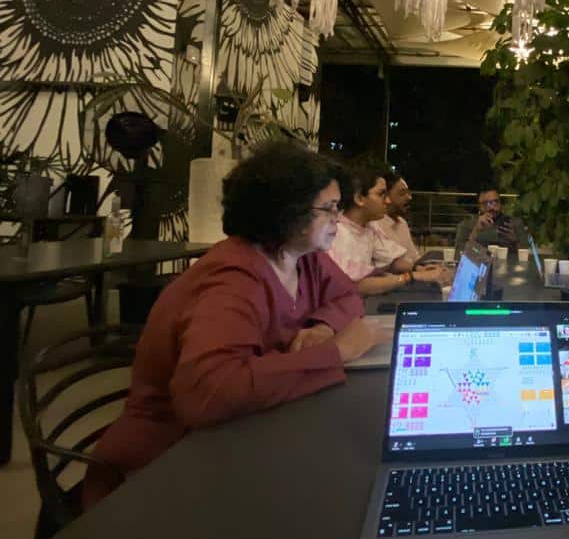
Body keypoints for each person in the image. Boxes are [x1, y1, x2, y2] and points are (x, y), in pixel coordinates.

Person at [83, 141, 391, 508]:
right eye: (329, 208)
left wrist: (323, 326)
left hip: (243, 433)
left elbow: (348, 296)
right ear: (285, 212)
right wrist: (337, 351)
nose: (338, 219)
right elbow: (209, 394)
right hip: (164, 466)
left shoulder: (303, 256)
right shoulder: (233, 280)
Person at [329, 162, 451, 296]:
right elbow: (356, 286)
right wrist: (412, 276)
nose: (387, 201)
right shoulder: (338, 233)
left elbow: (390, 261)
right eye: (381, 194)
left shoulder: (369, 226)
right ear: (359, 198)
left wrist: (418, 268)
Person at [453, 185, 528, 253]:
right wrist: (475, 232)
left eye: (495, 202)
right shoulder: (466, 225)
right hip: (478, 263)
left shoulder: (515, 223)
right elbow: (458, 254)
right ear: (479, 206)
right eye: (485, 203)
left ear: (500, 203)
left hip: (508, 263)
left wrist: (515, 242)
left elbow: (527, 254)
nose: (491, 207)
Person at [370, 172, 419, 267]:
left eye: (408, 193)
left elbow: (414, 258)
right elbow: (391, 265)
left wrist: (424, 267)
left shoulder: (402, 223)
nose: (409, 197)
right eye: (402, 193)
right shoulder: (374, 224)